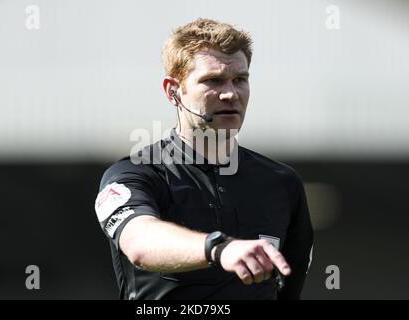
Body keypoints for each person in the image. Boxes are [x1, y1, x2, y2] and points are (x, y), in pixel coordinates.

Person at [94, 18, 314, 300]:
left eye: (240, 80)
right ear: (173, 91)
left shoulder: (283, 183)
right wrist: (218, 248)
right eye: (213, 80)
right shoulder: (134, 174)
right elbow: (140, 242)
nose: (230, 93)